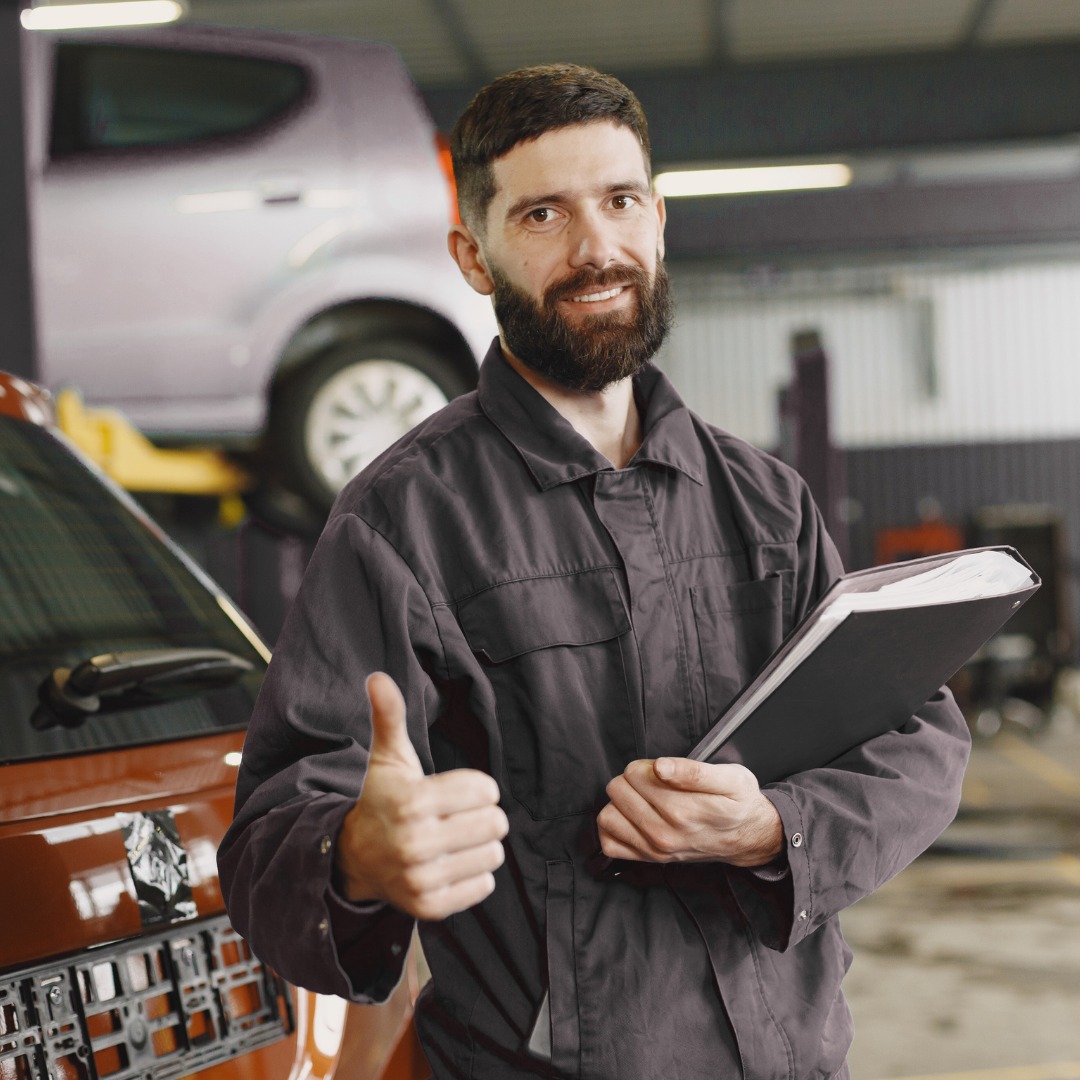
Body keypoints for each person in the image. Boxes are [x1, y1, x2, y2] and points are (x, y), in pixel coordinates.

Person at [218, 64, 971, 1079]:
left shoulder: (767, 503)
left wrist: (774, 827)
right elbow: (272, 837)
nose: (596, 249)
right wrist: (356, 854)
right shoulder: (403, 524)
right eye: (542, 215)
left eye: (620, 202)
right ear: (472, 259)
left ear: (658, 218)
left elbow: (916, 741)